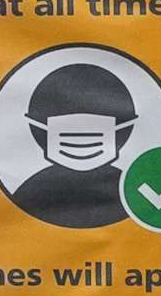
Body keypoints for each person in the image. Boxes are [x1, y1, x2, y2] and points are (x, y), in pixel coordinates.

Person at [11, 61, 138, 228]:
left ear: (122, 129)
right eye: (69, 131)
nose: (81, 142)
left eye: (94, 130)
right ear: (40, 128)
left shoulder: (132, 191)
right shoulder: (30, 191)